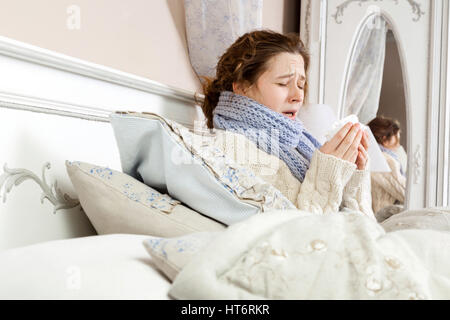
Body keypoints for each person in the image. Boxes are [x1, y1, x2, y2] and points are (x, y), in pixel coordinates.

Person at [200, 29, 374, 219]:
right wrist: (326, 170)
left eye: (301, 85)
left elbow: (361, 224)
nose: (298, 96)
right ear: (241, 87)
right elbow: (294, 232)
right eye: (283, 83)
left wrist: (354, 177)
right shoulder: (228, 148)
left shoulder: (297, 143)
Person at [367, 116, 406, 218]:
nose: (398, 143)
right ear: (384, 139)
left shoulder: (369, 155)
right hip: (384, 218)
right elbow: (405, 192)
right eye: (396, 137)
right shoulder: (384, 160)